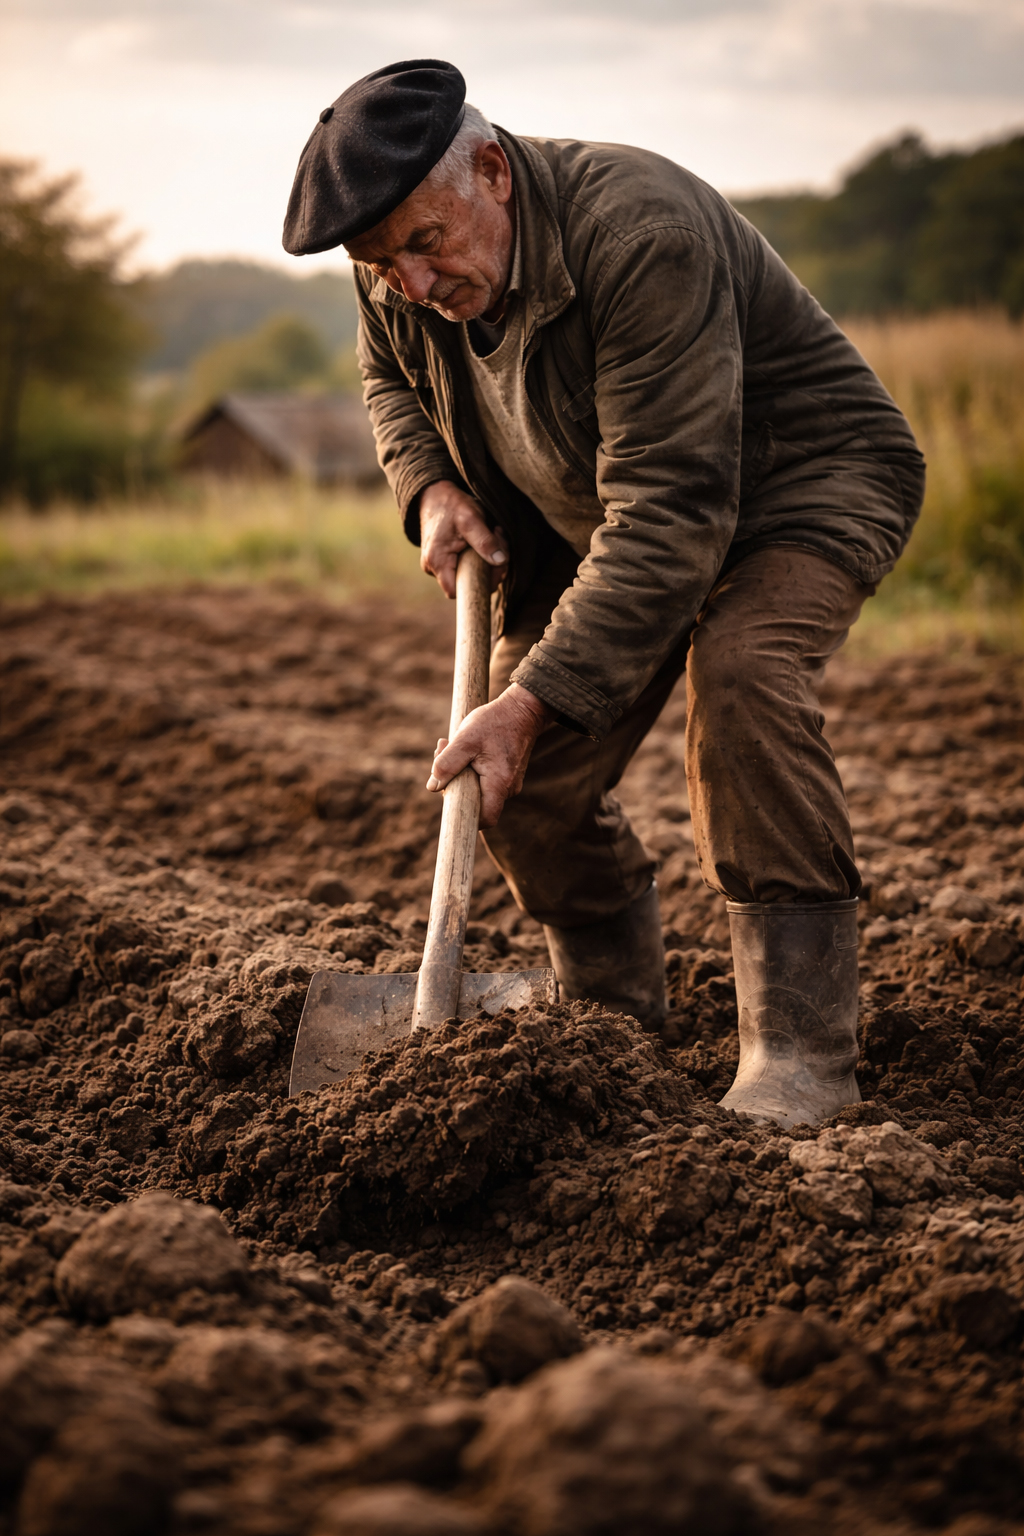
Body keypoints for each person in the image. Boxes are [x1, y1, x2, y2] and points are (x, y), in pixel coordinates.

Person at [283, 59, 925, 1129]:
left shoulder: (639, 236)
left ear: (492, 171)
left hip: (795, 484)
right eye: (382, 264)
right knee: (516, 784)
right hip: (599, 517)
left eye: (426, 247)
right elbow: (388, 379)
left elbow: (676, 513)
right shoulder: (398, 257)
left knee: (740, 677)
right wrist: (429, 482)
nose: (412, 285)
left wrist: (535, 696)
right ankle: (613, 1020)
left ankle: (803, 1053)